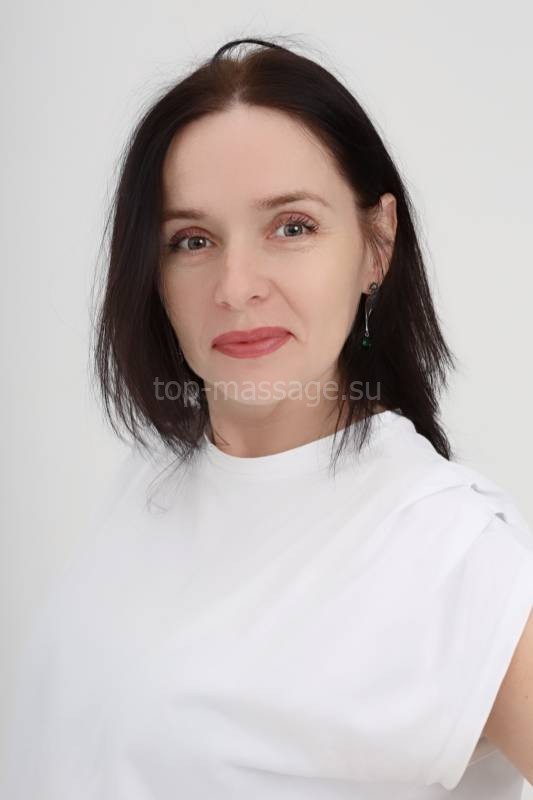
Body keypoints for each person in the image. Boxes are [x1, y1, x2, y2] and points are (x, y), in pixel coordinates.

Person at [2, 37, 532, 800]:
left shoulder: (451, 554)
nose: (236, 285)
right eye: (192, 240)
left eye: (291, 226)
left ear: (376, 244)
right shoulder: (151, 483)